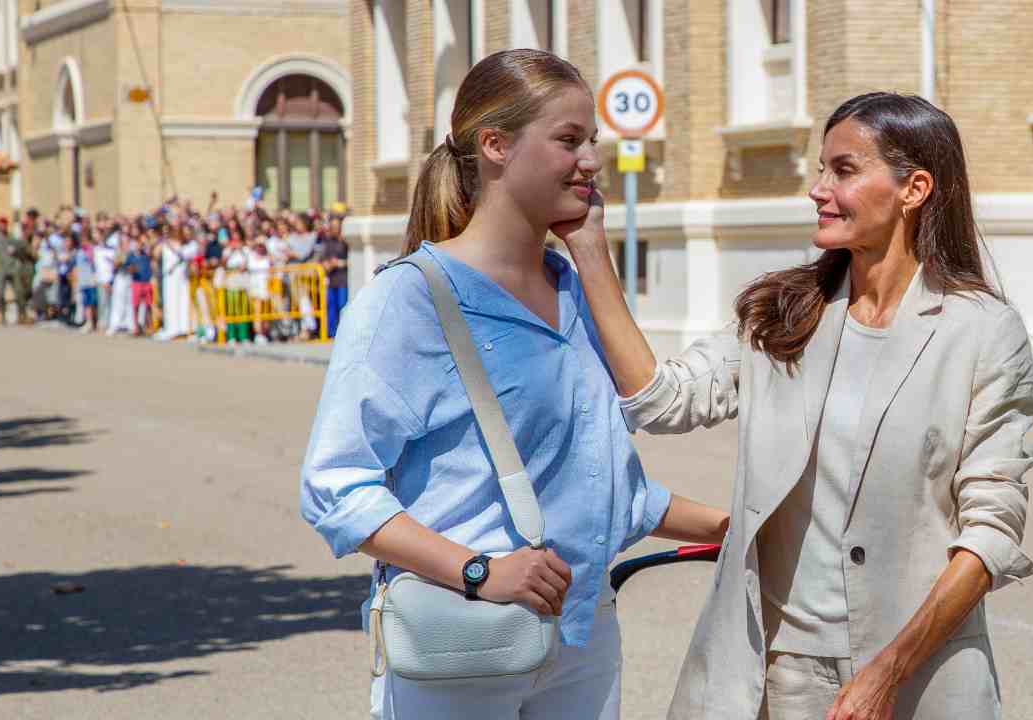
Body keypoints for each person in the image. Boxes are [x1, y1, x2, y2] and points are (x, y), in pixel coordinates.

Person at [556, 92, 1033, 720]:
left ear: (914, 188)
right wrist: (590, 248)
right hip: (775, 671)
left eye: (843, 170)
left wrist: (887, 672)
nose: (818, 189)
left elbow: (990, 532)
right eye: (821, 168)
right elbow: (662, 400)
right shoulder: (781, 312)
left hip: (918, 670)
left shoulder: (983, 332)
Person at [300, 49, 729, 720]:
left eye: (592, 140)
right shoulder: (407, 303)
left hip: (584, 638)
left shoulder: (575, 293)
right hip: (465, 639)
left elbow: (605, 484)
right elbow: (336, 489)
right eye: (568, 140)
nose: (591, 159)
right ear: (496, 145)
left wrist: (735, 525)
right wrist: (480, 570)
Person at [0, 218, 33, 325]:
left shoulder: (12, 238)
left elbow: (21, 248)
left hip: (13, 268)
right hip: (0, 269)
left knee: (19, 291)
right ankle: (2, 314)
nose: (2, 227)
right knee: (0, 293)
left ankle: (22, 315)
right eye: (1, 225)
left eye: (4, 225)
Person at [320, 213, 349, 336]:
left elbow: (352, 260)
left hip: (343, 279)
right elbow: (322, 259)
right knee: (331, 307)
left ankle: (343, 332)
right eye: (332, 226)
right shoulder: (328, 242)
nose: (334, 229)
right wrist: (326, 264)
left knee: (342, 306)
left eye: (336, 226)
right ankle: (332, 333)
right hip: (332, 279)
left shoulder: (346, 243)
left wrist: (339, 263)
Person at [124, 236, 155, 336]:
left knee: (148, 305)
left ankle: (150, 327)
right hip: (136, 282)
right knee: (136, 306)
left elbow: (151, 254)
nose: (139, 246)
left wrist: (147, 244)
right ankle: (136, 327)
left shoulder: (146, 255)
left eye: (141, 245)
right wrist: (131, 269)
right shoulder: (131, 256)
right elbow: (127, 267)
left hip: (146, 282)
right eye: (137, 244)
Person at [74, 233, 99, 333]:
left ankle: (94, 323)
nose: (82, 242)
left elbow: (93, 262)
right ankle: (88, 322)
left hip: (91, 281)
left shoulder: (91, 250)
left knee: (92, 303)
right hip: (83, 281)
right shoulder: (80, 251)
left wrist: (89, 250)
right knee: (86, 303)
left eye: (84, 240)